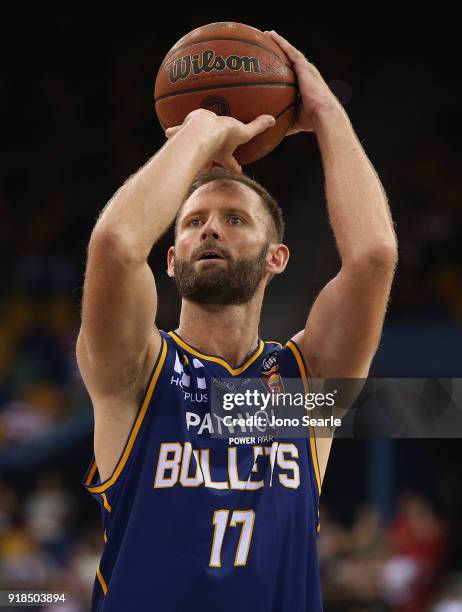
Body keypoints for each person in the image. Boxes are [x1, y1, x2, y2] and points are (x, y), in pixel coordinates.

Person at [76, 31, 397, 612]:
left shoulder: (299, 387)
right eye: (194, 220)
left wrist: (326, 111)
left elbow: (374, 257)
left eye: (234, 218)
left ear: (278, 258)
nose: (211, 229)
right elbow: (116, 243)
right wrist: (201, 130)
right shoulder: (138, 372)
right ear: (170, 261)